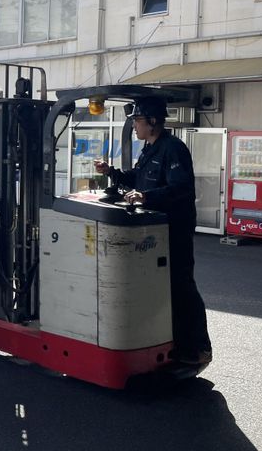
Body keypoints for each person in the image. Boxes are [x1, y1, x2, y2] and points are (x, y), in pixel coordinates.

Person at [94, 97, 212, 366]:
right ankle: (174, 344)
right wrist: (111, 172)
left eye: (137, 120)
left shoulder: (173, 149)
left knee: (181, 286)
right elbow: (137, 178)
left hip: (175, 229)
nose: (135, 126)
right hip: (154, 231)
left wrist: (146, 197)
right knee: (160, 289)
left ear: (153, 121)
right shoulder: (149, 149)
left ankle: (199, 347)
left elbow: (181, 188)